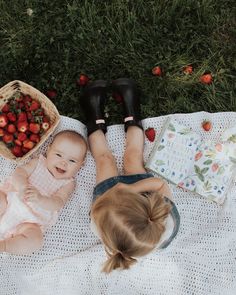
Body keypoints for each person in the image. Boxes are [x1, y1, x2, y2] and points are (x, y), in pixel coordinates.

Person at [80, 78, 180, 273]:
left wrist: (111, 196)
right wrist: (131, 189)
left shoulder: (103, 226)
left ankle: (93, 117)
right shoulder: (163, 219)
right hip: (143, 189)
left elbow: (97, 213)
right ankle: (132, 113)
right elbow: (159, 185)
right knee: (133, 157)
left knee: (104, 160)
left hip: (106, 197)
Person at [0, 130, 87, 255]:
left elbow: (58, 202)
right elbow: (19, 173)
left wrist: (40, 199)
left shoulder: (68, 183)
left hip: (29, 221)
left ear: (81, 165)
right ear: (49, 150)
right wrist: (23, 187)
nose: (63, 162)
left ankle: (5, 245)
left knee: (36, 240)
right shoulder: (38, 162)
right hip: (10, 200)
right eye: (58, 155)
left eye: (72, 161)